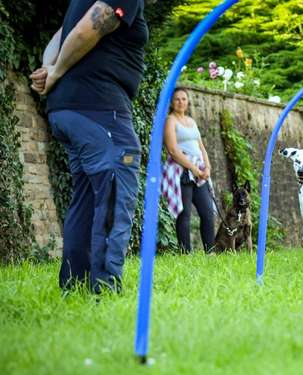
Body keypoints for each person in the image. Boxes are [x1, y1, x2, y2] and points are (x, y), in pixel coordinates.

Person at [29, 0, 148, 293]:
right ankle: (105, 289)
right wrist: (55, 72)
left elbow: (61, 34)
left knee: (84, 199)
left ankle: (74, 285)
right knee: (116, 191)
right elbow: (90, 26)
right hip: (100, 110)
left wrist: (49, 65)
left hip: (69, 111)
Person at [161, 87, 216, 254]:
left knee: (207, 212)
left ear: (188, 101)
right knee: (184, 215)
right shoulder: (170, 120)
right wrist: (193, 168)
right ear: (172, 102)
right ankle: (186, 254)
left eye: (184, 99)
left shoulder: (192, 121)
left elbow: (202, 148)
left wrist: (207, 167)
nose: (181, 102)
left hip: (199, 172)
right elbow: (172, 150)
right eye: (177, 99)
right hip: (181, 171)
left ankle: (210, 252)